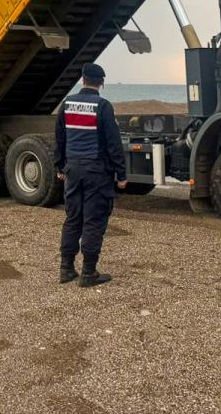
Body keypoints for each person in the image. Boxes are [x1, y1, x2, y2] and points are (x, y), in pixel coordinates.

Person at [54, 63, 127, 287]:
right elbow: (113, 143)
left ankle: (66, 269)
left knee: (73, 218)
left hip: (73, 169)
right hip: (96, 171)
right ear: (101, 83)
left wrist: (59, 167)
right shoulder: (103, 106)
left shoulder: (66, 104)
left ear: (83, 79)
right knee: (94, 220)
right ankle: (88, 273)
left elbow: (60, 138)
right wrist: (121, 174)